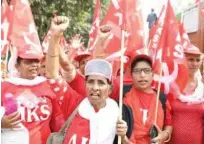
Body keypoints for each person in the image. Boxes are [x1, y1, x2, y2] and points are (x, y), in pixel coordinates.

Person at [1, 45, 65, 144]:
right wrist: (1, 123)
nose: (34, 65)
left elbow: (57, 118)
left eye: (37, 61)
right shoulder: (4, 86)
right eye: (28, 62)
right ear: (17, 65)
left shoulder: (47, 85)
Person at [168, 46, 204, 144]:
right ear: (183, 60)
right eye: (191, 59)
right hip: (172, 140)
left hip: (197, 140)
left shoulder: (202, 88)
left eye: (198, 60)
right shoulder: (171, 85)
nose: (195, 63)